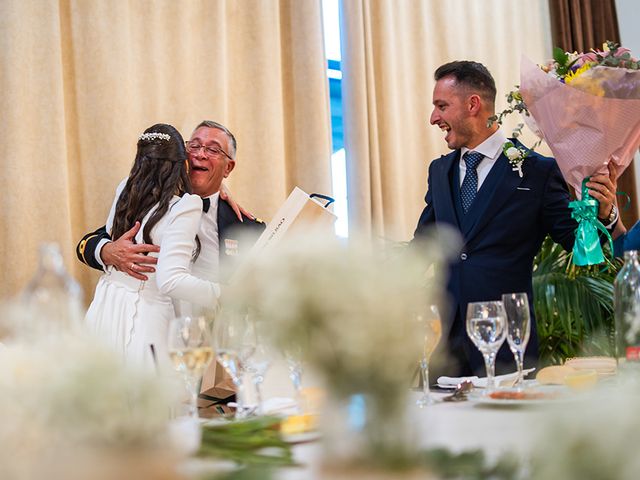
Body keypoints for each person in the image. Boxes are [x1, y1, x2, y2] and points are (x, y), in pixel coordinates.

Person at [413, 61, 618, 378]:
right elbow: (421, 247)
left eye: (441, 106)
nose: (433, 118)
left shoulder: (539, 171)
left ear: (473, 104)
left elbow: (575, 240)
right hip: (447, 351)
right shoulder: (439, 172)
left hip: (511, 346)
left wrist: (604, 213)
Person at [85, 123, 224, 368]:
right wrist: (225, 294)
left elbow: (108, 233)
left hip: (106, 303)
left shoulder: (125, 189)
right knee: (150, 401)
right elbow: (170, 280)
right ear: (181, 163)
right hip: (147, 315)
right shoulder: (185, 205)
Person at [77, 120, 264, 282]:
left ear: (228, 168)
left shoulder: (247, 228)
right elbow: (89, 243)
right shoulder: (151, 203)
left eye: (213, 149)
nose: (200, 154)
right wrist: (107, 251)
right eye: (194, 146)